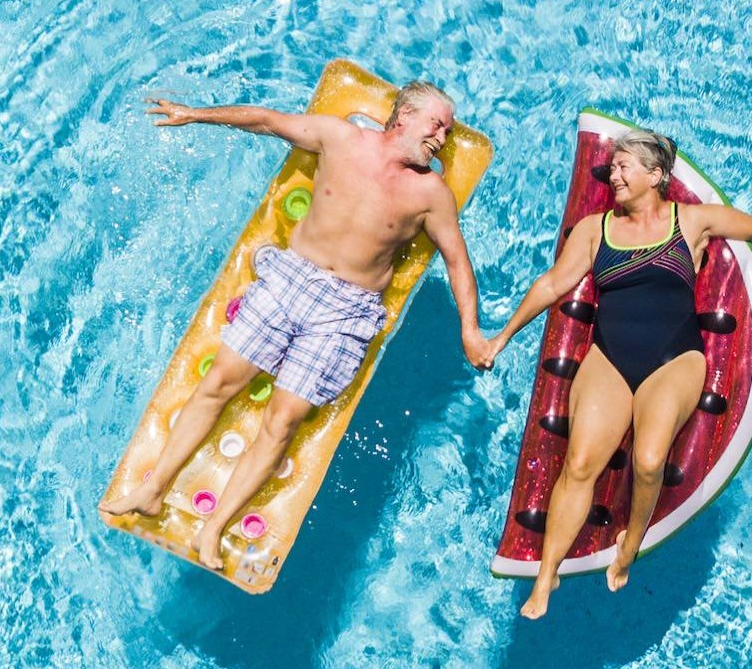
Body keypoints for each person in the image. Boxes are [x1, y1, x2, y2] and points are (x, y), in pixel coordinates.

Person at [100, 81, 489, 571]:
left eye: (448, 131)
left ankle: (214, 527)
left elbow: (457, 262)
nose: (442, 137)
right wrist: (194, 113)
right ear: (403, 115)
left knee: (281, 420)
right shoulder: (340, 138)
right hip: (291, 278)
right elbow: (267, 120)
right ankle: (152, 490)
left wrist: (470, 330)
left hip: (346, 310)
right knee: (219, 381)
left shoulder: (431, 193)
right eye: (436, 123)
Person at [480, 129, 752, 619]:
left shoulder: (693, 222)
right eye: (612, 167)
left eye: (624, 167)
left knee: (650, 460)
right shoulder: (596, 229)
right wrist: (502, 336)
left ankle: (631, 540)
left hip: (675, 358)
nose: (613, 174)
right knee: (579, 464)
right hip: (609, 357)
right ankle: (547, 573)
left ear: (656, 176)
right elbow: (553, 283)